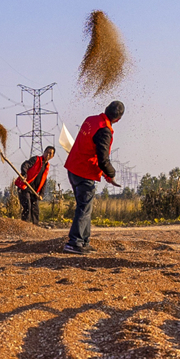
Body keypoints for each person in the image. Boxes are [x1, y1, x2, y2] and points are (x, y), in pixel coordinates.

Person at [62, 100, 124, 254]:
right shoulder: (104, 130)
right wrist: (111, 173)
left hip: (73, 167)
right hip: (84, 171)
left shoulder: (90, 120)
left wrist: (104, 171)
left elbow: (88, 146)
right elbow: (103, 159)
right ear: (118, 119)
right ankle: (74, 243)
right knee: (84, 208)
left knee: (84, 207)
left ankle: (84, 241)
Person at [16, 146, 55, 225]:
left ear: (52, 156)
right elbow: (25, 165)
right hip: (24, 187)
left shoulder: (47, 167)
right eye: (47, 152)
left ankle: (35, 228)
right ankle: (24, 227)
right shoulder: (36, 160)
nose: (48, 154)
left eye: (50, 153)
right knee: (27, 207)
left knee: (35, 210)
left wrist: (41, 194)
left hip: (34, 191)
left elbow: (44, 181)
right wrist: (24, 174)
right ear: (44, 152)